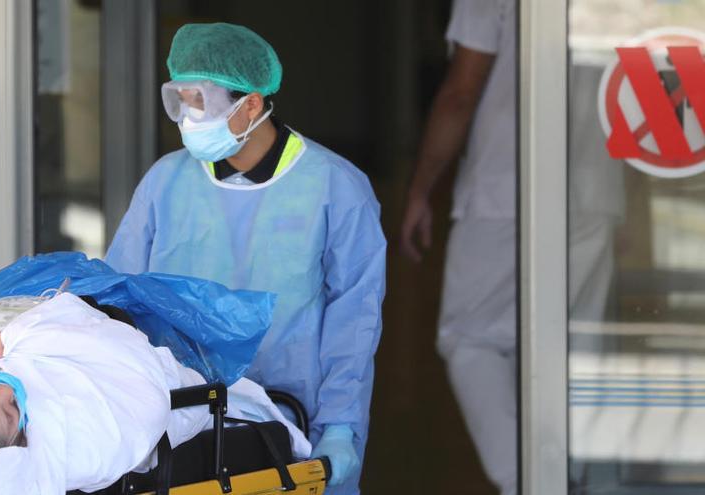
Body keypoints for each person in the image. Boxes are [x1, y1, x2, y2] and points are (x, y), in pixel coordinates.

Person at [105, 22, 386, 494]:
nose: (188, 118)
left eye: (201, 102)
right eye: (181, 100)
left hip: (290, 423)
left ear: (251, 103)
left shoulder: (335, 185)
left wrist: (339, 426)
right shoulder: (165, 182)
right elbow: (119, 296)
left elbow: (355, 317)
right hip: (179, 420)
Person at [0, 292, 310, 494]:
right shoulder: (74, 437)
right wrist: (22, 336)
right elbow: (137, 393)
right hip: (107, 344)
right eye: (12, 407)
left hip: (26, 313)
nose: (7, 389)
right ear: (15, 441)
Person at [399, 1, 518, 494]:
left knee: (469, 338)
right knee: (574, 347)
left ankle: (527, 480)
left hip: (507, 186)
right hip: (599, 193)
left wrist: (421, 188)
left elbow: (461, 93)